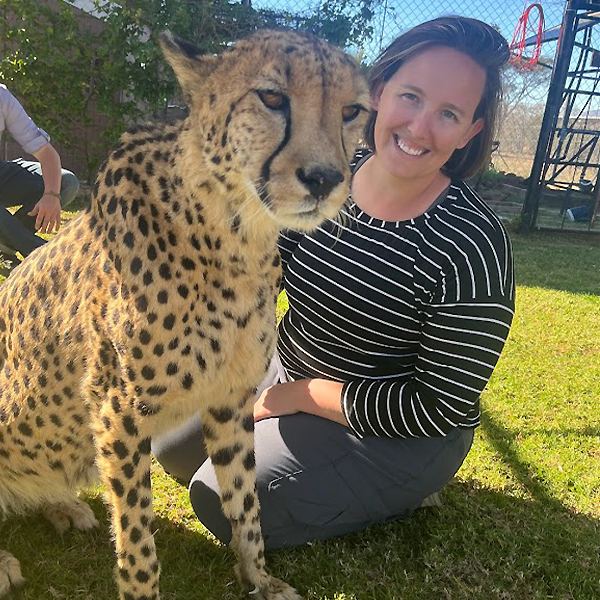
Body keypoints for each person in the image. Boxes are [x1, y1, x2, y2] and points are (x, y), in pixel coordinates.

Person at [152, 15, 515, 549]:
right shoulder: (329, 171)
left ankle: (407, 490)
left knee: (223, 500)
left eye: (449, 114)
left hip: (396, 430)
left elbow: (438, 407)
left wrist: (300, 396)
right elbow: (262, 268)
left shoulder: (471, 244)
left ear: (470, 132)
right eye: (411, 97)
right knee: (171, 443)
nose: (418, 128)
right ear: (378, 91)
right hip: (289, 372)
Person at [0, 84, 79, 269]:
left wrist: (51, 195)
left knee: (66, 183)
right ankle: (48, 258)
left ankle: (6, 245)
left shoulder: (2, 97)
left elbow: (47, 154)